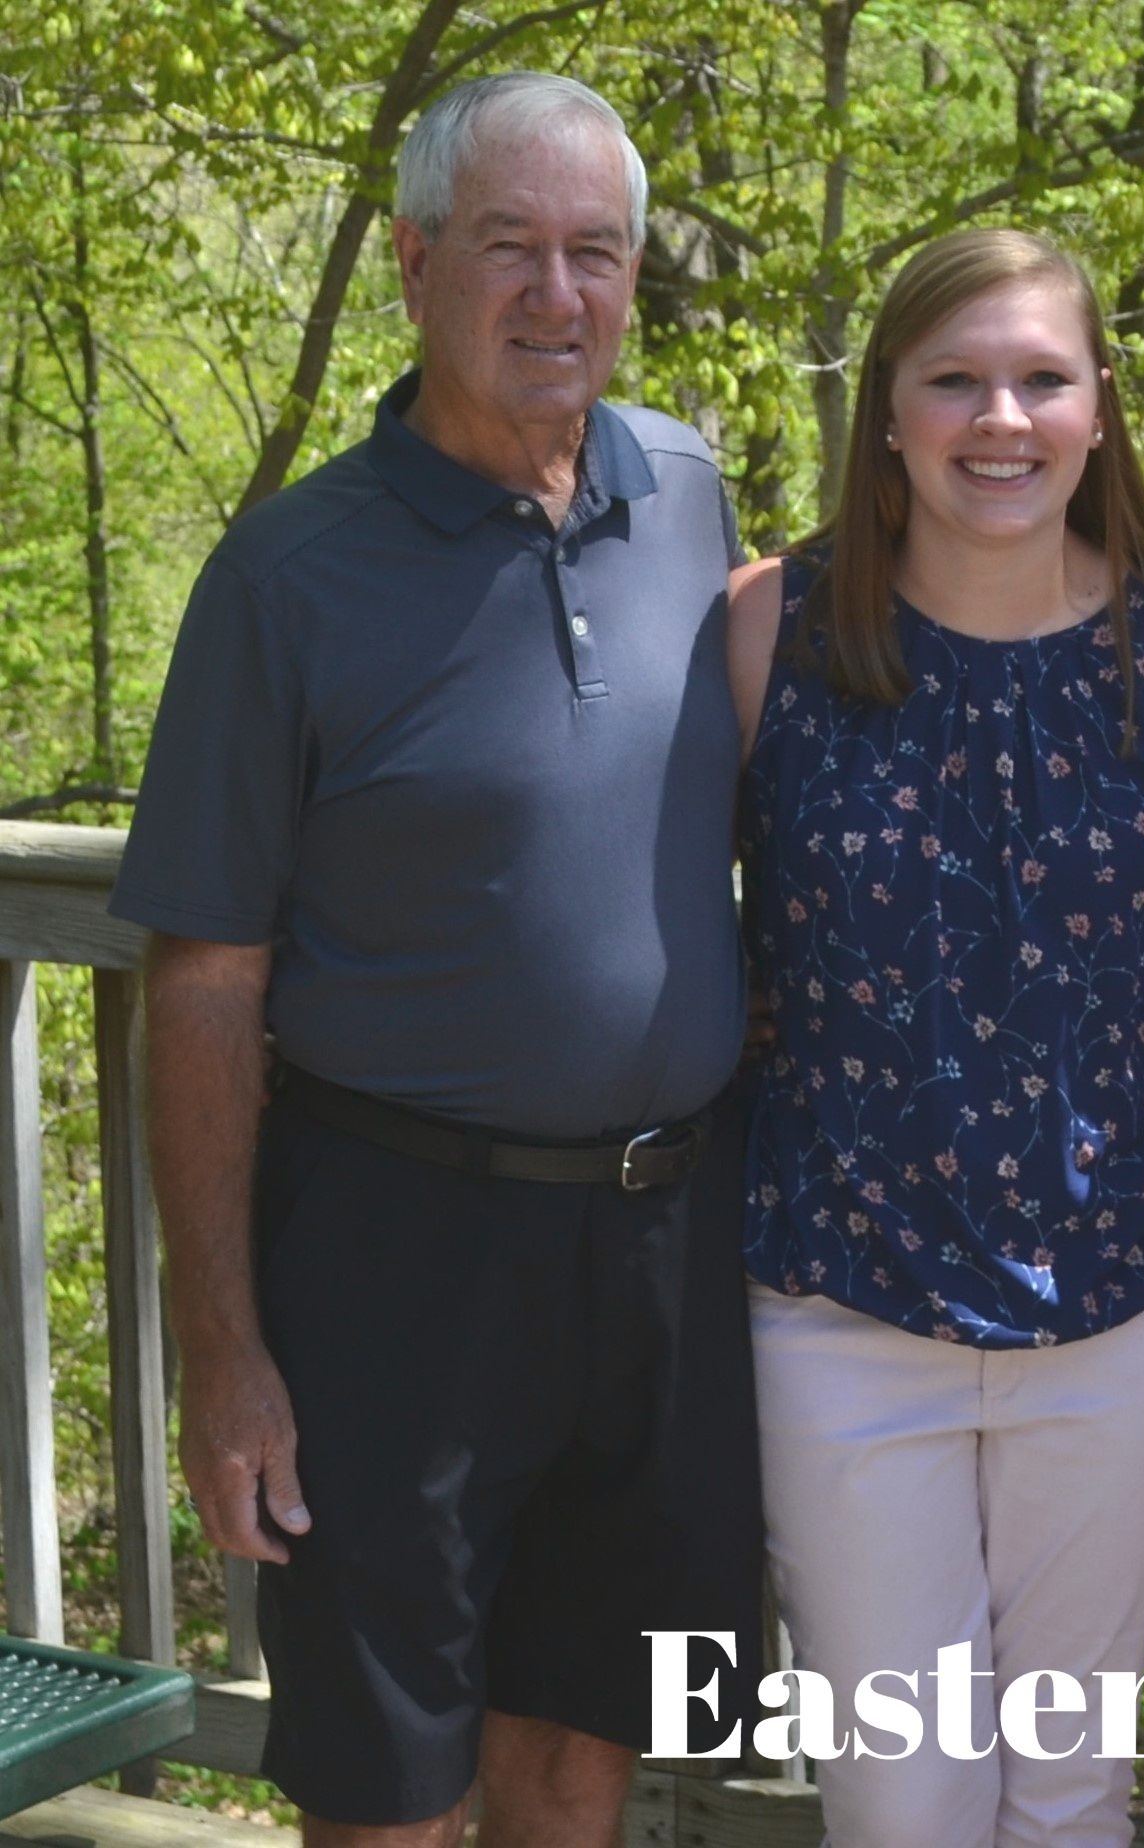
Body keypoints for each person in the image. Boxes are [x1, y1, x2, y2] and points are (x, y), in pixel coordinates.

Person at [110, 73, 760, 1846]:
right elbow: (204, 980)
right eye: (508, 249)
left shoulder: (690, 494)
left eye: (595, 255)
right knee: (388, 1781)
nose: (558, 296)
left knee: (581, 1747)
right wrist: (224, 1352)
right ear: (410, 265)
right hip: (396, 1258)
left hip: (662, 1248)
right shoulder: (288, 578)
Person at [726, 227, 1144, 1847]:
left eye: (1041, 378)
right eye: (954, 379)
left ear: (1101, 408)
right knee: (903, 1799)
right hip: (840, 1306)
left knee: (1071, 1794)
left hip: (1116, 1312)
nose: (1000, 419)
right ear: (889, 410)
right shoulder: (771, 632)